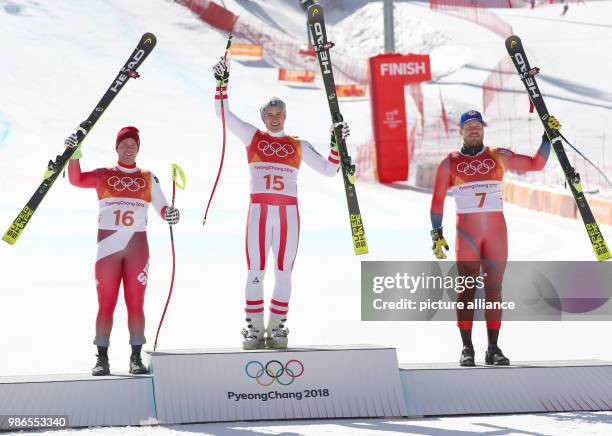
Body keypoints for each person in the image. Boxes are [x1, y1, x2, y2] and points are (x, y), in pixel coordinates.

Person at [212, 58, 345, 349]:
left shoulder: (297, 144)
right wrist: (222, 84)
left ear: (285, 116)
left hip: (288, 215)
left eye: (279, 113)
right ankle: (254, 329)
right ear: (263, 117)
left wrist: (337, 145)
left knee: (284, 271)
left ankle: (278, 328)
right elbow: (224, 116)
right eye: (270, 113)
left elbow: (328, 169)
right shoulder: (253, 136)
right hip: (259, 212)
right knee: (256, 269)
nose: (275, 117)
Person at [430, 110, 558, 367]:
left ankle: (493, 348)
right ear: (461, 131)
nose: (474, 129)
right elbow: (437, 201)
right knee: (466, 289)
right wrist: (436, 232)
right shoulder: (449, 163)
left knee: (494, 291)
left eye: (478, 125)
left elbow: (536, 164)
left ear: (484, 129)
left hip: (496, 236)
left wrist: (547, 139)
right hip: (467, 235)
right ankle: (467, 348)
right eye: (469, 126)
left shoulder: (498, 156)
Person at [65, 126, 180, 376]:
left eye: (133, 144)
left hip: (137, 250)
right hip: (107, 252)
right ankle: (102, 358)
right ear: (116, 147)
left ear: (138, 148)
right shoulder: (104, 174)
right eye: (124, 144)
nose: (129, 148)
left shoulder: (148, 177)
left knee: (135, 303)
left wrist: (170, 214)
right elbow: (75, 180)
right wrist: (74, 154)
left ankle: (135, 357)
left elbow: (163, 207)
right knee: (105, 304)